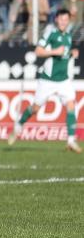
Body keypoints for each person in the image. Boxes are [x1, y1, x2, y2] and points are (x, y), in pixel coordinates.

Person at [8, 9, 81, 152]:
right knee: (35, 108)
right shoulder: (50, 33)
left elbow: (64, 55)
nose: (63, 22)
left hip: (63, 80)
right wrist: (54, 51)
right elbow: (38, 51)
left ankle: (71, 141)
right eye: (61, 19)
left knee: (71, 106)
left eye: (66, 20)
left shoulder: (68, 36)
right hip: (47, 80)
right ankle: (19, 125)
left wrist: (72, 53)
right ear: (56, 20)